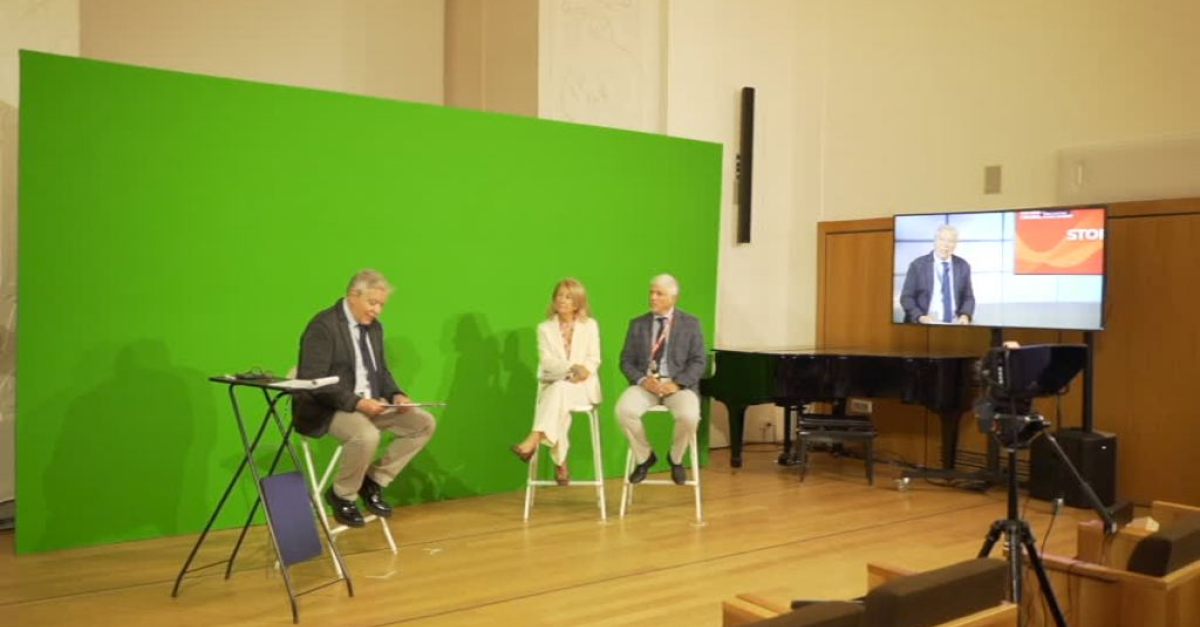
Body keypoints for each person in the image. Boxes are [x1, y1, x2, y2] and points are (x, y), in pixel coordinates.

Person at [293, 269, 436, 528]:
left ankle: (373, 481)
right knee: (366, 435)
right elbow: (313, 381)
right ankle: (342, 494)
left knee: (423, 423)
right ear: (353, 295)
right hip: (327, 406)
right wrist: (357, 403)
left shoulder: (374, 328)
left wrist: (396, 394)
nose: (377, 310)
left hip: (370, 403)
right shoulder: (322, 327)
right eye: (373, 303)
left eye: (381, 305)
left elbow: (381, 371)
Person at [615, 274, 707, 485]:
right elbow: (626, 361)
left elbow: (698, 361)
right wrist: (642, 380)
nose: (653, 297)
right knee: (623, 410)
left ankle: (675, 458)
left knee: (690, 416)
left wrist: (677, 383)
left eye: (659, 293)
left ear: (673, 298)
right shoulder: (637, 324)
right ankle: (645, 457)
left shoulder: (691, 324)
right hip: (646, 385)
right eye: (651, 292)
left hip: (678, 386)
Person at [511, 278, 602, 485]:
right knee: (558, 393)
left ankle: (534, 440)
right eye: (559, 295)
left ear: (577, 302)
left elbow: (594, 358)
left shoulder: (589, 326)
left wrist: (584, 371)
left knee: (555, 397)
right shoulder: (544, 328)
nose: (562, 300)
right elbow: (547, 362)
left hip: (583, 386)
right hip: (557, 383)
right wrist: (571, 367)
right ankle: (560, 462)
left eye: (568, 297)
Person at [899, 224, 975, 324]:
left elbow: (968, 297)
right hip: (924, 323)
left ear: (955, 244)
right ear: (935, 241)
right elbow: (906, 297)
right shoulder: (917, 265)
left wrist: (965, 315)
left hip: (955, 324)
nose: (945, 245)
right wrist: (920, 317)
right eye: (942, 239)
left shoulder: (963, 266)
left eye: (950, 241)